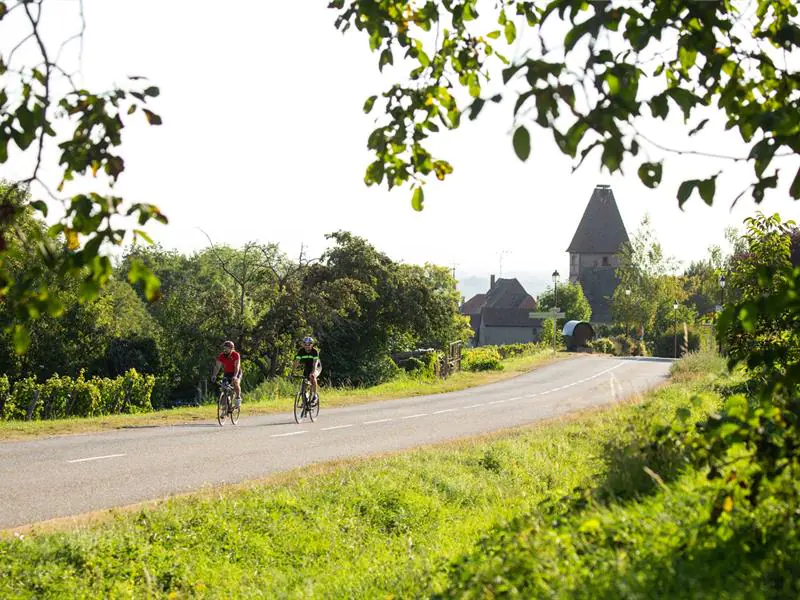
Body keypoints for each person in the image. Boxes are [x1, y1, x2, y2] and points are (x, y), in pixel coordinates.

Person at [211, 340, 242, 408]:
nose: (225, 349)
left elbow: (237, 366)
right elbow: (217, 366)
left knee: (235, 383)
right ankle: (225, 405)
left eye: (226, 348)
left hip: (236, 372)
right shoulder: (221, 355)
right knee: (224, 387)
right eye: (224, 348)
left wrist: (235, 376)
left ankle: (238, 398)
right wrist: (214, 375)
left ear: (231, 348)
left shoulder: (236, 355)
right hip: (227, 373)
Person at [293, 336, 321, 403]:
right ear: (303, 345)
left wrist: (313, 372)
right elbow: (297, 361)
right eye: (305, 345)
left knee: (312, 377)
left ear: (312, 345)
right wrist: (293, 371)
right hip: (307, 367)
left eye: (309, 345)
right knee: (304, 384)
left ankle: (315, 395)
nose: (307, 346)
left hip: (317, 367)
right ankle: (306, 401)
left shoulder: (315, 351)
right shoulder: (301, 351)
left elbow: (315, 363)